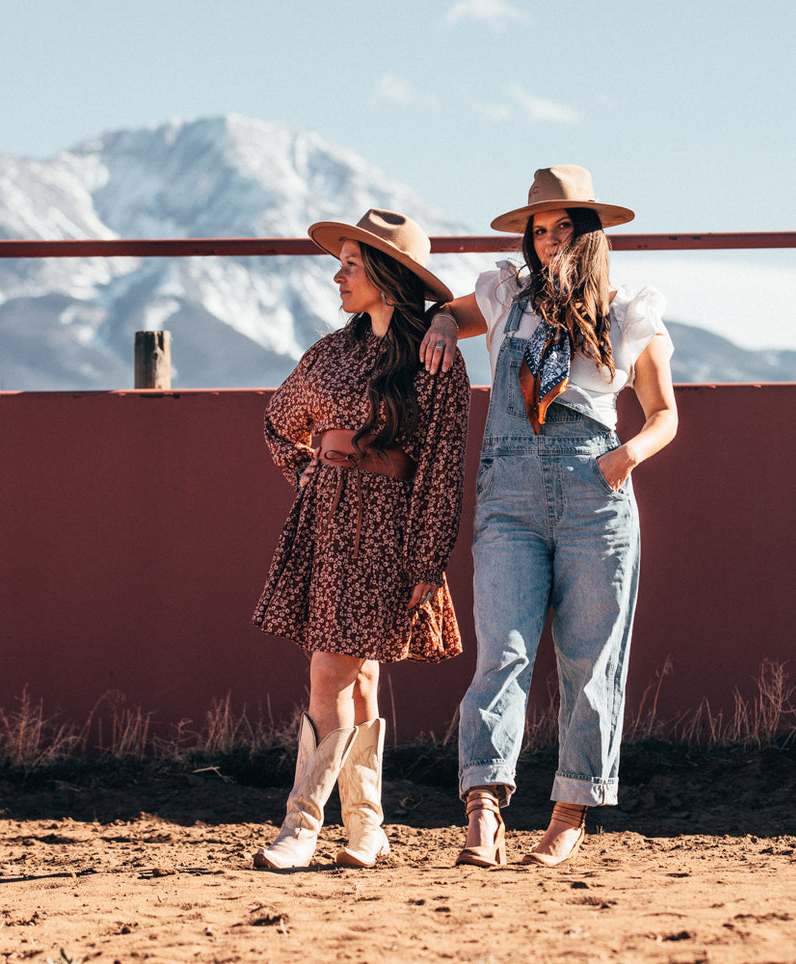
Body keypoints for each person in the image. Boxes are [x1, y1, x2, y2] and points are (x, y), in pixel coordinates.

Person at [419, 166, 678, 867]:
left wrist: (624, 458)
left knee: (590, 664)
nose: (551, 239)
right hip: (508, 499)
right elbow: (446, 311)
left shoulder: (627, 313)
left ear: (589, 236)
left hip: (595, 496)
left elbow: (663, 415)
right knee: (500, 653)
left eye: (565, 227)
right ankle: (482, 809)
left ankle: (569, 812)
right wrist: (443, 320)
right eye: (540, 229)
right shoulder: (505, 296)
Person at [252, 208, 470, 869]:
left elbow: (440, 467)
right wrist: (314, 478)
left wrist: (427, 558)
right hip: (327, 524)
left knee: (330, 672)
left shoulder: (435, 362)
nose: (336, 276)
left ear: (387, 274)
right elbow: (276, 424)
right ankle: (368, 830)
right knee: (357, 680)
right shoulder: (328, 353)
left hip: (390, 529)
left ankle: (300, 826)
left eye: (350, 263)